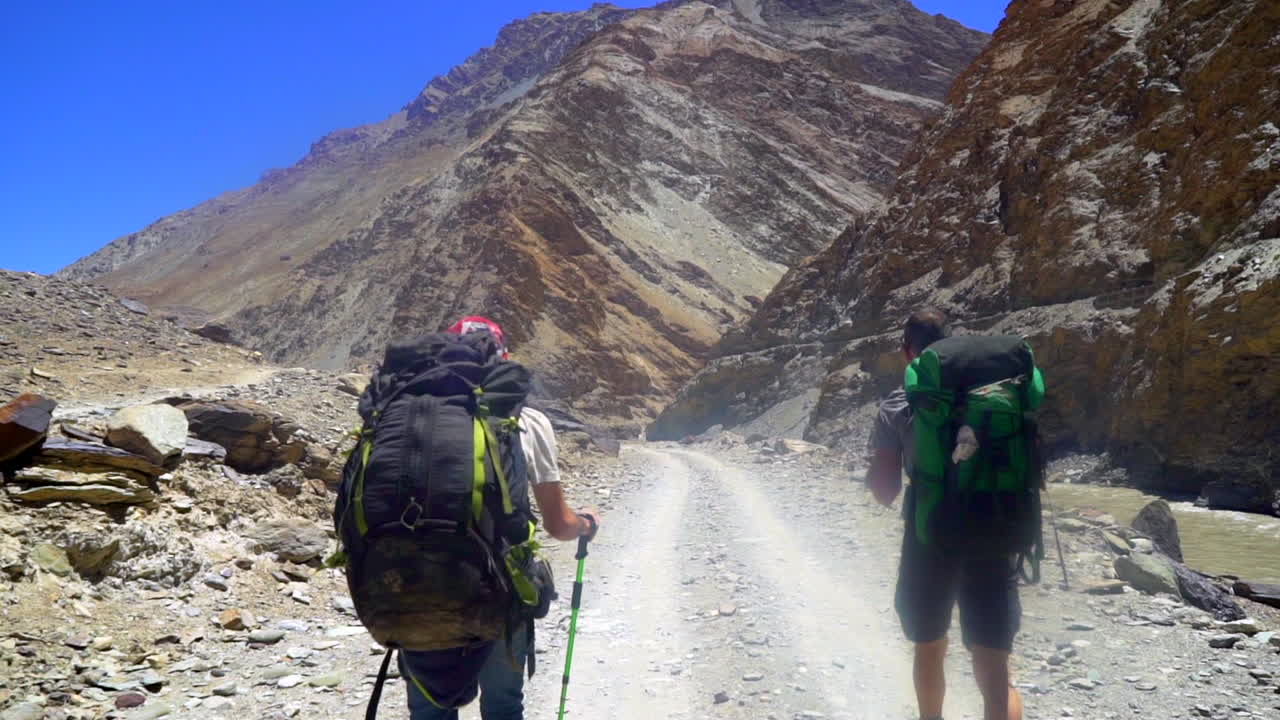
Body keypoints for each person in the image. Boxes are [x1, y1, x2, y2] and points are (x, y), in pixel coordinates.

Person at [400, 315, 601, 720]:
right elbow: (558, 525)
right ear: (504, 359)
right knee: (504, 707)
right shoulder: (526, 423)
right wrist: (586, 523)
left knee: (431, 710)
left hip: (421, 592)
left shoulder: (408, 421)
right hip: (501, 592)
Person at [865, 308, 1024, 720]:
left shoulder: (901, 402)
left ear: (907, 352)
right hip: (996, 522)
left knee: (930, 647)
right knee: (993, 664)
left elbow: (884, 492)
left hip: (930, 531)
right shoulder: (997, 390)